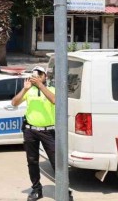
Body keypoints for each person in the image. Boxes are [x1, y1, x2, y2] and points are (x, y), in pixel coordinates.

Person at [11, 66, 72, 201]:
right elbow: (14, 102)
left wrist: (40, 86)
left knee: (57, 162)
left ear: (45, 76)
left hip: (48, 131)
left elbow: (55, 100)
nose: (37, 76)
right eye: (35, 74)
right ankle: (36, 189)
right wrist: (25, 89)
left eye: (40, 74)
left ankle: (64, 190)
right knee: (32, 161)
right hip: (30, 130)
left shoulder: (51, 89)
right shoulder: (29, 90)